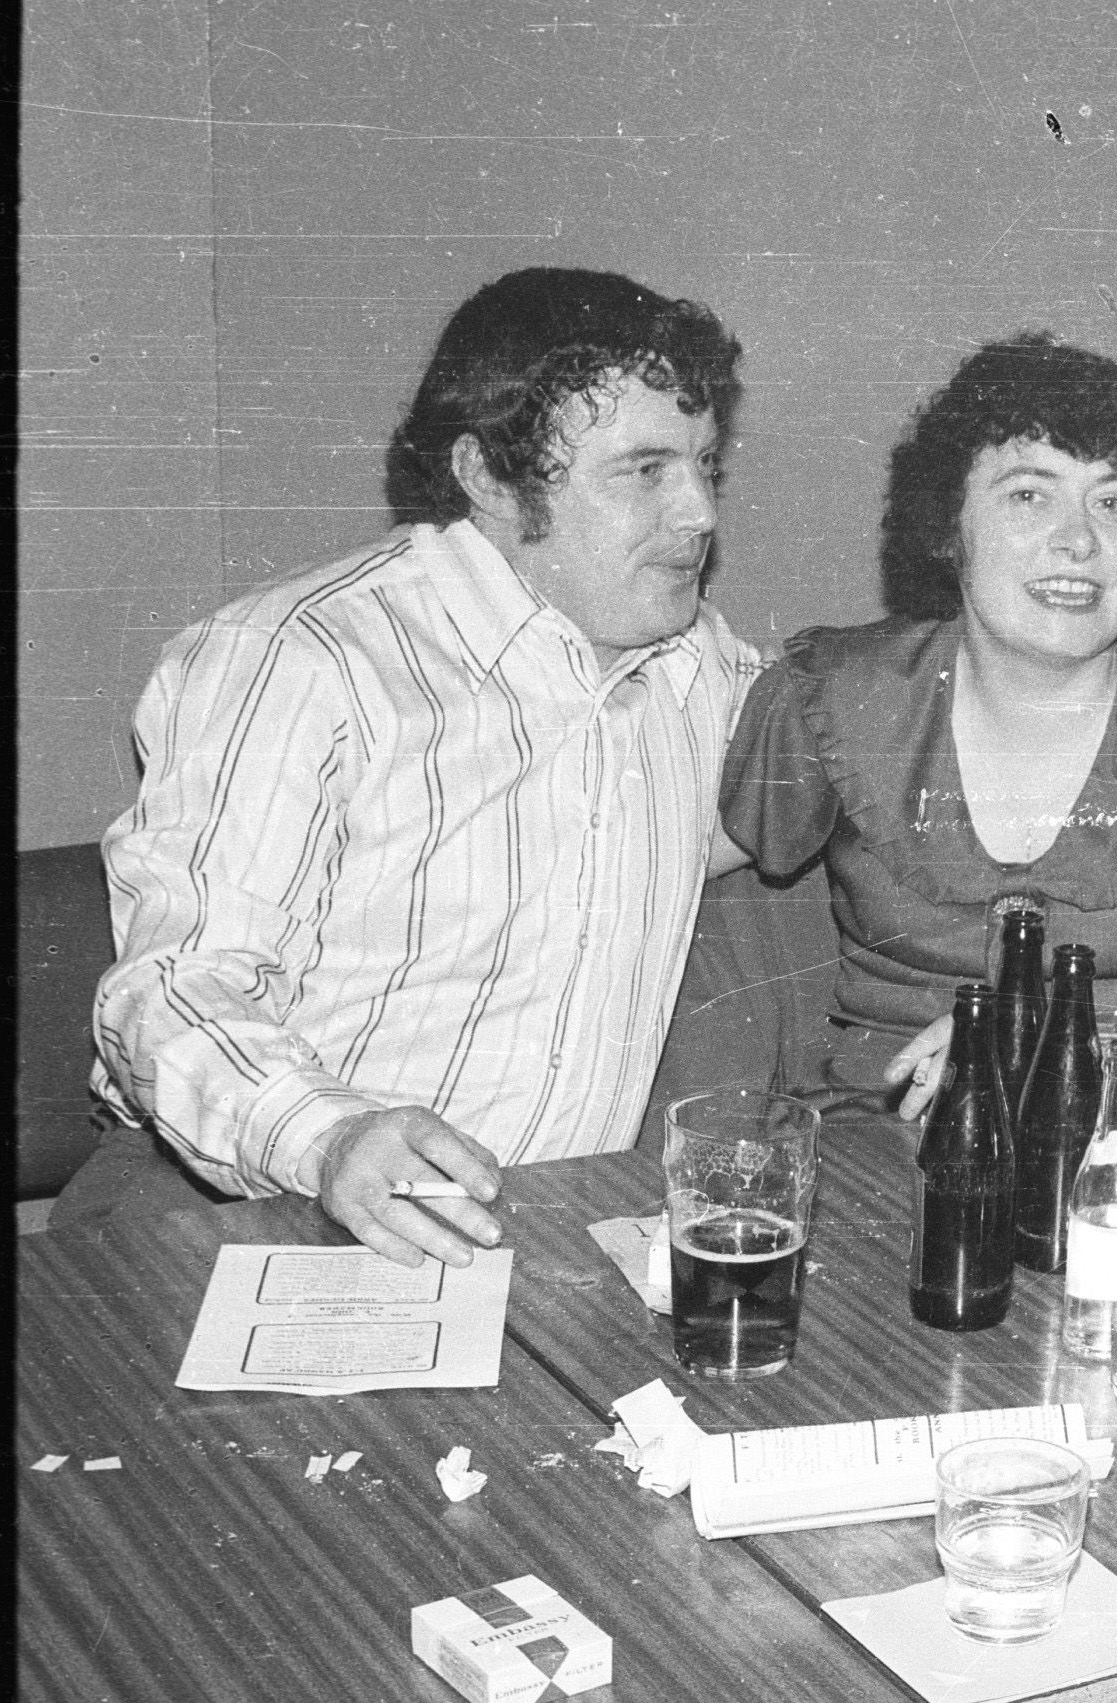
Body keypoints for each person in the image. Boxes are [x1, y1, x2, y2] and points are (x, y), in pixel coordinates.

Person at [82, 267, 757, 1265]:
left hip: (539, 1238)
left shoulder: (698, 668)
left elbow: (905, 727)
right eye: (644, 470)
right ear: (488, 478)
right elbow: (175, 990)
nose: (698, 510)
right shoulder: (300, 660)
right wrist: (331, 1135)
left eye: (705, 464)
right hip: (250, 1213)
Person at [715, 333, 1117, 1110]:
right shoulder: (844, 696)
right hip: (873, 1155)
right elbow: (646, 875)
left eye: (1113, 502)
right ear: (949, 525)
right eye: (1028, 494)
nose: (1079, 540)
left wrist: (1066, 1047)